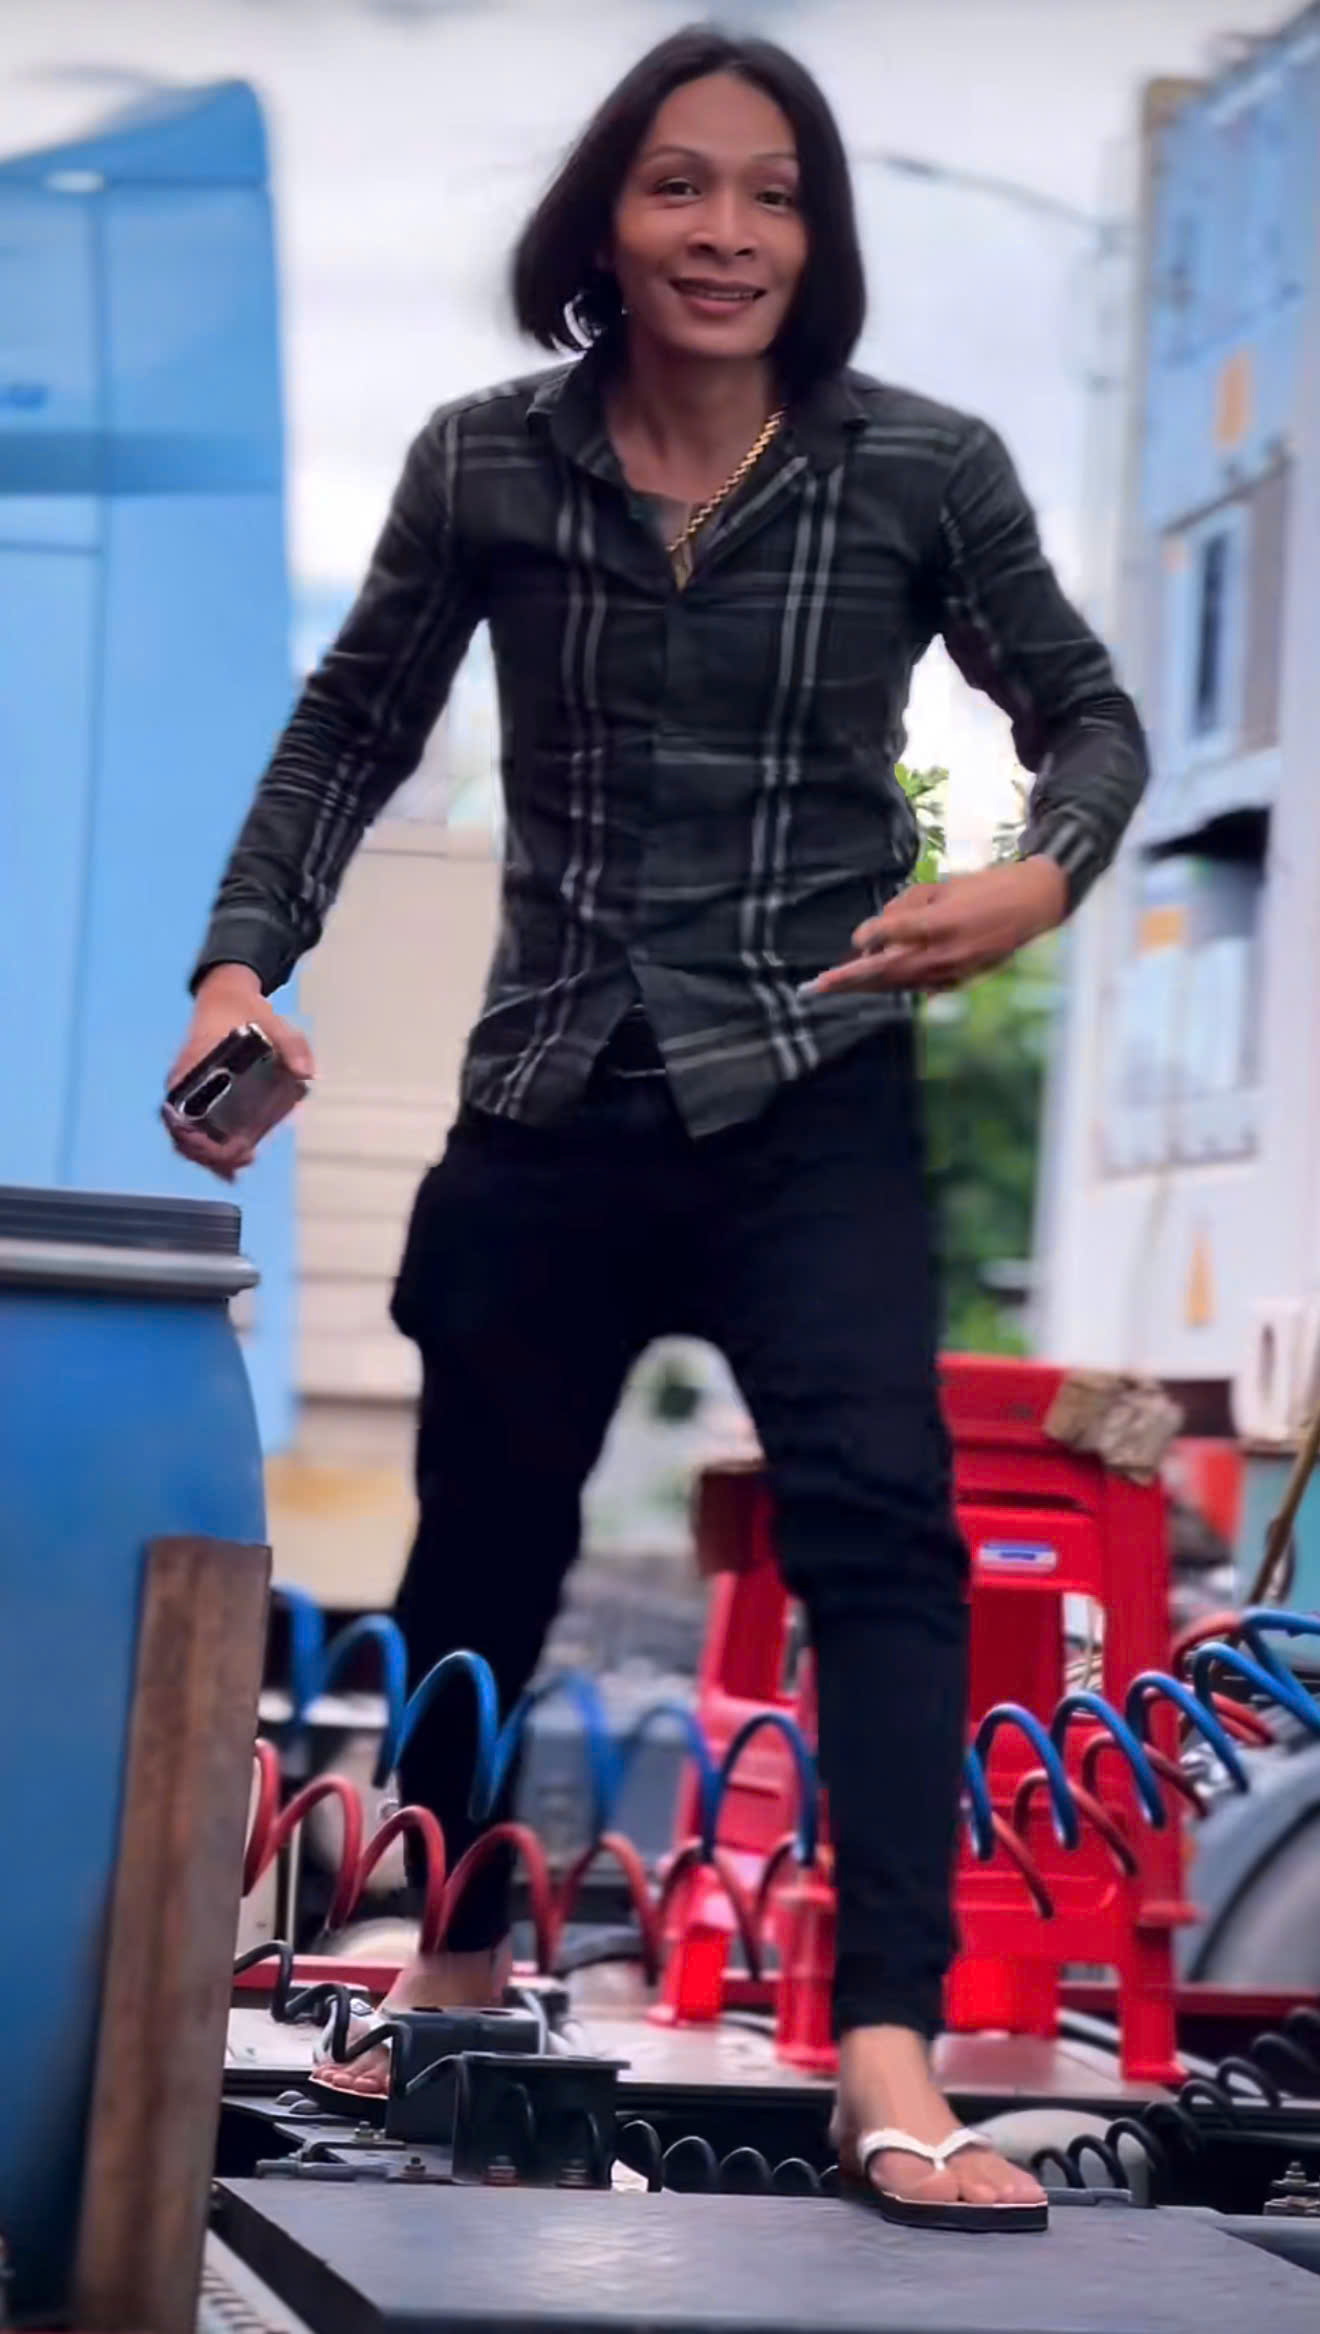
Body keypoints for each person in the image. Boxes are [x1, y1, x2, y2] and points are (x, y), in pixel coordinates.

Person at [168, 25, 1147, 2229]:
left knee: (883, 1535)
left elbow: (1085, 713)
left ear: (821, 237)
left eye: (774, 195)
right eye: (682, 186)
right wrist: (241, 966)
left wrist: (1037, 877)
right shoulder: (485, 463)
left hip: (816, 1087)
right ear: (606, 220)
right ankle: (449, 1973)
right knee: (482, 1554)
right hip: (554, 1089)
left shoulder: (922, 470)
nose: (728, 233)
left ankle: (888, 2054)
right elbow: (349, 731)